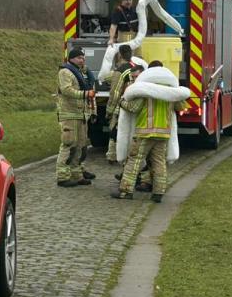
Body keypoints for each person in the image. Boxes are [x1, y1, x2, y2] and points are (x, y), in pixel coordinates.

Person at [111, 61, 191, 203]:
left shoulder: (144, 90)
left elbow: (133, 108)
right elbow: (180, 107)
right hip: (163, 133)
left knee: (134, 161)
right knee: (159, 162)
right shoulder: (170, 91)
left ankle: (125, 191)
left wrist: (122, 101)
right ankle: (158, 193)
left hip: (144, 132)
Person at [56, 45, 96, 187]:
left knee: (80, 146)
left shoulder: (80, 72)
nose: (82, 60)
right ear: (71, 58)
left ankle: (76, 174)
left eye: (83, 58)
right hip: (69, 114)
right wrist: (84, 94)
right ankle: (62, 176)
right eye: (79, 58)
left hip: (81, 114)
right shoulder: (65, 72)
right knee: (69, 144)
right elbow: (66, 90)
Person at [105, 45, 136, 164]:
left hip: (122, 106)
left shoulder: (121, 71)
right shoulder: (136, 68)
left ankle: (112, 155)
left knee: (115, 129)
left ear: (119, 55)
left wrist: (109, 110)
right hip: (136, 104)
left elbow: (115, 92)